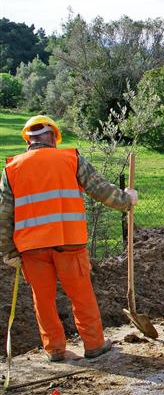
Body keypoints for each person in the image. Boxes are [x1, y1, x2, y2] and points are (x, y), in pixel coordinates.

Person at [0, 115, 138, 362]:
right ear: (53, 137)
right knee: (81, 293)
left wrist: (8, 252)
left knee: (42, 300)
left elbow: (3, 215)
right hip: (69, 243)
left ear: (28, 141)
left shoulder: (11, 169)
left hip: (32, 249)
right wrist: (127, 200)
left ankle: (54, 349)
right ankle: (94, 345)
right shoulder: (70, 159)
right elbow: (101, 190)